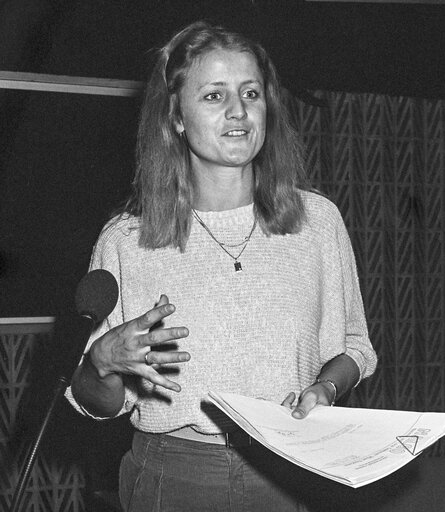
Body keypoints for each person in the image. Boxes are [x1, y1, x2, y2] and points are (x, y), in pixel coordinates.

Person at [65, 20, 377, 512]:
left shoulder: (317, 222)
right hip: (174, 474)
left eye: (251, 93)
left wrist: (326, 388)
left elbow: (354, 348)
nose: (238, 110)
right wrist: (99, 362)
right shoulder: (127, 240)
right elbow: (97, 401)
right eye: (214, 96)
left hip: (293, 472)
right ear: (176, 117)